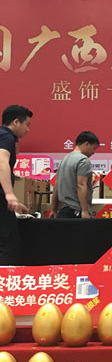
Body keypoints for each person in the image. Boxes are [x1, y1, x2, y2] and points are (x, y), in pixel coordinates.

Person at [0, 105, 33, 265]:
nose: (28, 129)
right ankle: (5, 279)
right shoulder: (7, 137)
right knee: (9, 243)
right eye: (27, 124)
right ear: (15, 122)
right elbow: (2, 162)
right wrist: (8, 194)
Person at [50, 131, 100, 219]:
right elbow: (81, 185)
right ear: (87, 144)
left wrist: (54, 210)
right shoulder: (83, 160)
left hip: (63, 211)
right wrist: (84, 210)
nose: (93, 153)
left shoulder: (65, 159)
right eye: (93, 148)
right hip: (77, 211)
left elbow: (56, 187)